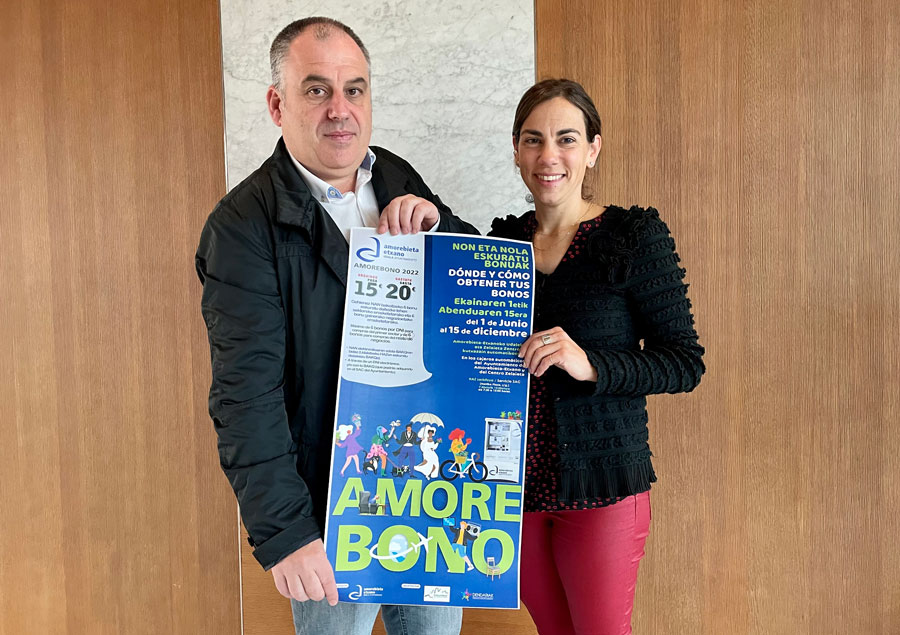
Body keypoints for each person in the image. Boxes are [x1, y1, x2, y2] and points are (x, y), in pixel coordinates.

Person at [195, 16, 476, 635]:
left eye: (354, 90)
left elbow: (470, 298)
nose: (339, 110)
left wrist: (440, 225)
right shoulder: (241, 228)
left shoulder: (396, 175)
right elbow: (245, 397)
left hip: (427, 498)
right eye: (316, 89)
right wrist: (286, 534)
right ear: (278, 105)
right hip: (327, 512)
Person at [489, 79, 705, 635]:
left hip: (603, 487)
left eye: (566, 139)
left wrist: (591, 364)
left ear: (592, 149)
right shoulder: (499, 246)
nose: (549, 155)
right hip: (513, 493)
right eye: (533, 140)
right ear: (516, 151)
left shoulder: (631, 236)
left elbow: (684, 362)